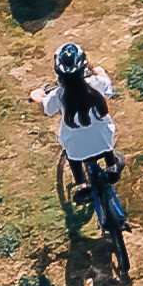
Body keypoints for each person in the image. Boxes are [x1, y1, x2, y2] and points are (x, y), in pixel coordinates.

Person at [35, 41, 117, 197]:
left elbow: (47, 108)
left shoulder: (59, 94)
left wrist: (36, 94)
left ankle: (82, 183)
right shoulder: (96, 83)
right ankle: (112, 166)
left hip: (77, 151)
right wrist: (96, 69)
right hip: (104, 142)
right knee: (104, 137)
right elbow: (107, 85)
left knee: (73, 155)